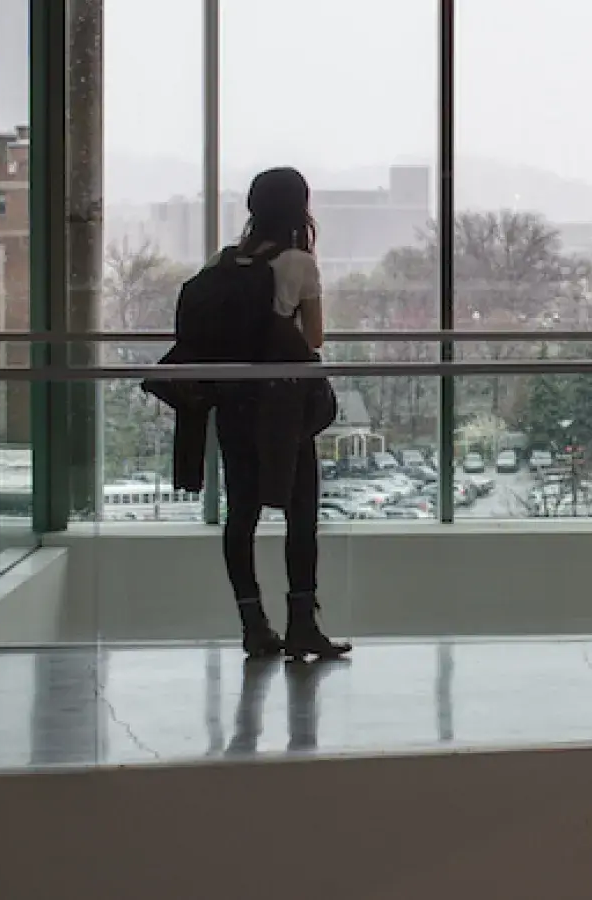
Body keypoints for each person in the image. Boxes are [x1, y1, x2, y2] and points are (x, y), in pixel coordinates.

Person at [216, 167, 349, 662]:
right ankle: (302, 625)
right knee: (300, 515)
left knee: (241, 515)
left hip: (234, 402)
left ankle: (253, 624)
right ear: (300, 209)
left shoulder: (225, 261)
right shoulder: (298, 263)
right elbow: (313, 338)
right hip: (284, 406)